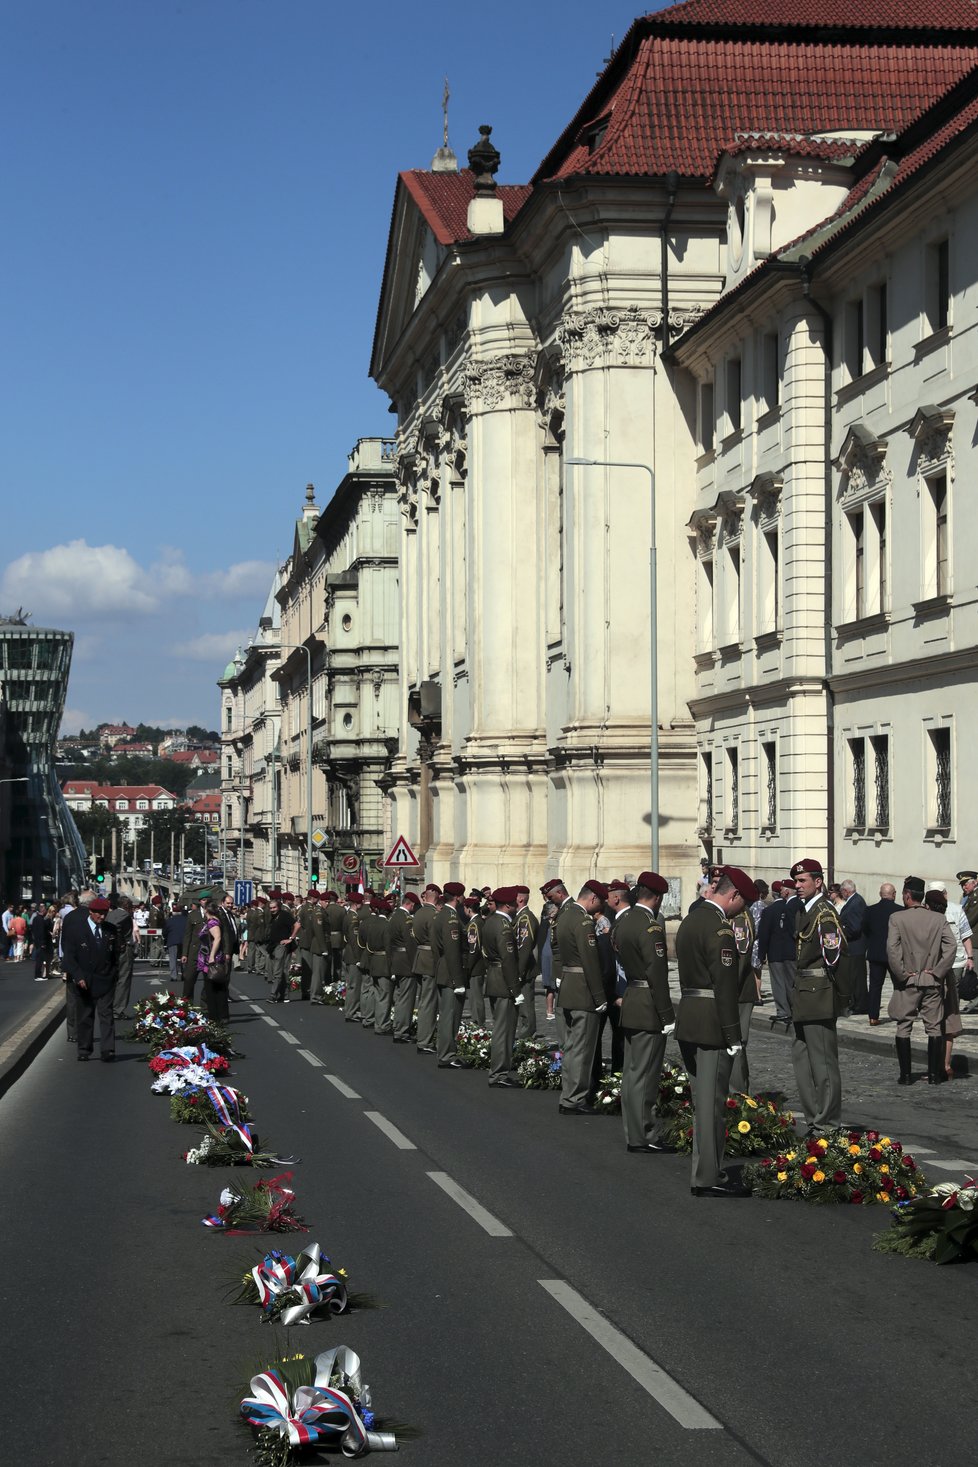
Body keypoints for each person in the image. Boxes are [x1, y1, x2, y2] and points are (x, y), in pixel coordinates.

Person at [676, 866, 757, 1198]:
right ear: (734, 895)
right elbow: (725, 987)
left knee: (701, 1100)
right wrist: (732, 1034)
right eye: (744, 904)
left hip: (689, 1015)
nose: (744, 911)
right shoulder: (720, 929)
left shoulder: (690, 920)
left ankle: (703, 1170)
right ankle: (708, 1175)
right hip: (712, 1021)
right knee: (711, 1104)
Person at [614, 870, 676, 1153]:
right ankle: (643, 1134)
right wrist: (667, 1014)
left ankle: (632, 1131)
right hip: (648, 1002)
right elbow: (657, 973)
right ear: (658, 897)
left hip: (632, 998)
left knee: (632, 1072)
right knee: (645, 1074)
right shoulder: (650, 927)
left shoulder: (625, 922)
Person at [790, 858, 851, 1134]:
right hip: (803, 992)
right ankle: (814, 1117)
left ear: (818, 882)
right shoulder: (804, 910)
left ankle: (827, 1121)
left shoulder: (824, 913)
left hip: (818, 993)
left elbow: (834, 957)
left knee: (823, 1062)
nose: (798, 886)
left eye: (803, 881)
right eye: (796, 881)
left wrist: (839, 995)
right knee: (803, 1060)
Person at [888, 878, 956, 1085]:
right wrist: (937, 972)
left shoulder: (897, 918)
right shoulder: (937, 919)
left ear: (907, 895)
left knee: (904, 1025)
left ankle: (906, 1075)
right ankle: (934, 1075)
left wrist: (901, 974)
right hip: (931, 980)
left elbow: (892, 950)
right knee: (934, 1027)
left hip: (908, 980)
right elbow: (951, 946)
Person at [554, 880, 609, 1115]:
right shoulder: (584, 920)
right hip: (583, 989)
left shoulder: (564, 916)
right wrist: (600, 997)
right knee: (582, 1048)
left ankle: (568, 1094)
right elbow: (590, 961)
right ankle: (575, 1098)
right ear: (594, 898)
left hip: (568, 985)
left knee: (572, 1046)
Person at [61, 895, 119, 1061]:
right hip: (84, 980)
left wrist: (114, 974)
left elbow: (115, 954)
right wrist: (78, 976)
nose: (102, 916)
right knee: (85, 1016)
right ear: (91, 912)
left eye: (105, 913)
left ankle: (108, 1050)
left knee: (107, 1015)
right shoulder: (77, 930)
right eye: (99, 913)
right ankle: (84, 1049)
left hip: (105, 978)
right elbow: (69, 957)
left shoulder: (110, 929)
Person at [482, 887, 523, 1088]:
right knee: (504, 1030)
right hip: (503, 980)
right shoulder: (504, 925)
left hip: (493, 976)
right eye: (515, 903)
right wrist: (515, 989)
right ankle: (499, 1073)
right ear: (507, 905)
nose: (517, 906)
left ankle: (499, 1071)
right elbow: (508, 959)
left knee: (501, 1027)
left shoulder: (489, 921)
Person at [433, 881, 472, 1069]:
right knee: (450, 1015)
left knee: (446, 1014)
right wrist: (458, 980)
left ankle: (446, 1051)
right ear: (458, 897)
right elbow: (452, 951)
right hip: (451, 972)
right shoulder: (450, 918)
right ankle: (447, 1054)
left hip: (443, 968)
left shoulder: (441, 915)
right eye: (462, 895)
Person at [756, 880, 796, 1029]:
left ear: (772, 895)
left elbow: (763, 935)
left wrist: (761, 955)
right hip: (791, 952)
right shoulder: (791, 908)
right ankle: (794, 1010)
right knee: (791, 983)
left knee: (778, 983)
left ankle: (782, 1011)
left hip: (775, 952)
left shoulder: (769, 911)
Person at [863, 883, 901, 1025]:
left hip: (876, 953)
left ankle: (873, 1016)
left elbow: (865, 929)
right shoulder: (900, 910)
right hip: (894, 953)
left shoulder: (870, 910)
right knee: (899, 985)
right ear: (894, 894)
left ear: (880, 894)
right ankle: (900, 1012)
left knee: (875, 986)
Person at [411, 884, 440, 1049]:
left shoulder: (419, 912)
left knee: (423, 1001)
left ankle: (422, 1036)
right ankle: (424, 1040)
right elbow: (436, 940)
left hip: (420, 957)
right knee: (429, 1002)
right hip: (430, 960)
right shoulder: (433, 914)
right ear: (435, 894)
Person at [837, 879, 868, 1014]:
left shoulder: (855, 903)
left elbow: (855, 927)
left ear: (845, 891)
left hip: (855, 946)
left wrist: (841, 931)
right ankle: (856, 1003)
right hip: (854, 947)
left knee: (857, 978)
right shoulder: (855, 901)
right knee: (854, 977)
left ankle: (860, 1005)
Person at [197, 898, 230, 1025]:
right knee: (218, 988)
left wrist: (211, 956)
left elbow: (217, 938)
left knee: (212, 988)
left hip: (211, 960)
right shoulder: (214, 921)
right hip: (211, 958)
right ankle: (221, 1015)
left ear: (206, 910)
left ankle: (215, 1016)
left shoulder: (212, 923)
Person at [513, 886, 539, 1039]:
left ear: (520, 899)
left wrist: (519, 971)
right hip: (521, 967)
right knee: (522, 1004)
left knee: (526, 1004)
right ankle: (525, 1031)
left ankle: (528, 1032)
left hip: (525, 969)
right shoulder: (519, 917)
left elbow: (524, 947)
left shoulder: (525, 918)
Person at [105, 895, 136, 1020]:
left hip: (111, 950)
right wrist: (120, 941)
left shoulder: (111, 913)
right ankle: (118, 1009)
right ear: (127, 906)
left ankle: (111, 1006)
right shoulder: (124, 915)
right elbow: (115, 927)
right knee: (124, 979)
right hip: (123, 949)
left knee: (113, 978)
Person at [266, 896, 299, 1003]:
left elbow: (297, 925)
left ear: (279, 907)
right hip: (273, 946)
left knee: (278, 971)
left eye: (274, 908)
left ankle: (273, 995)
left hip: (282, 946)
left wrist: (291, 938)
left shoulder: (284, 915)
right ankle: (284, 995)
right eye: (270, 908)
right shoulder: (272, 916)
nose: (272, 910)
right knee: (282, 971)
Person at [463, 892, 487, 1028]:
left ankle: (479, 1023)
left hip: (475, 966)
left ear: (468, 908)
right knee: (475, 997)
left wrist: (467, 967)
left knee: (475, 998)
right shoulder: (479, 921)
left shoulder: (474, 924)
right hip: (478, 965)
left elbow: (473, 948)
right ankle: (478, 1022)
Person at [342, 891, 366, 1022]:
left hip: (348, 953)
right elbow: (354, 939)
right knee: (354, 985)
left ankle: (350, 1010)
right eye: (361, 902)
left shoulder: (348, 915)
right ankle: (351, 1012)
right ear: (356, 904)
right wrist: (358, 958)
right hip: (353, 955)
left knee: (352, 984)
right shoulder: (353, 918)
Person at [163, 901, 187, 987]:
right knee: (184, 959)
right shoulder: (186, 919)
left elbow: (164, 932)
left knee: (173, 959)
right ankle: (184, 975)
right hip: (184, 941)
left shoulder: (169, 920)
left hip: (173, 941)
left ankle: (174, 976)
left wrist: (165, 938)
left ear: (173, 912)